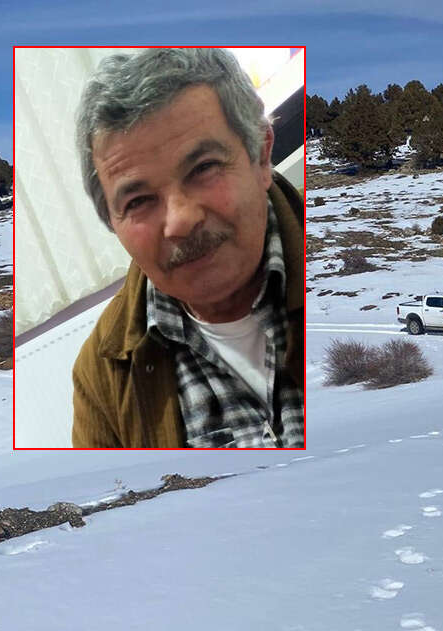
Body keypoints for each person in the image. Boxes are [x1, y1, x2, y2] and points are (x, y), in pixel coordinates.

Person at [71, 48, 304, 448]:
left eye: (203, 168)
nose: (180, 220)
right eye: (138, 201)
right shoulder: (102, 376)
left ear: (262, 155)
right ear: (113, 222)